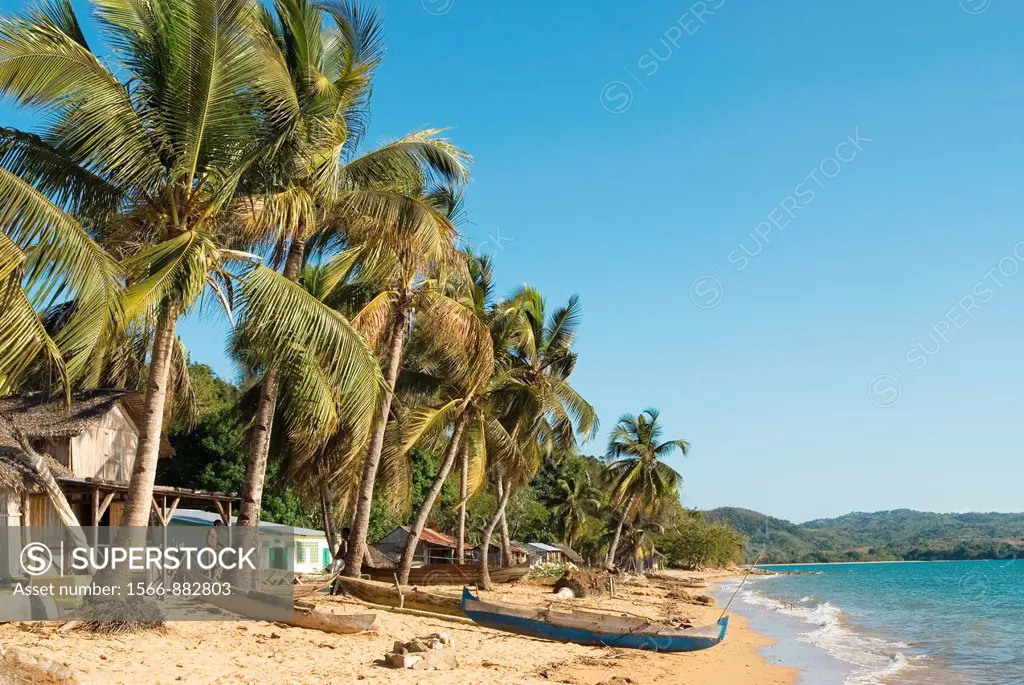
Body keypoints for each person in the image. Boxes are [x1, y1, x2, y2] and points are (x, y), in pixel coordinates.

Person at [330, 528, 350, 595]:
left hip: (340, 560)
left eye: (342, 533)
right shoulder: (345, 541)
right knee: (333, 574)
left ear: (346, 534)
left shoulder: (345, 542)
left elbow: (345, 552)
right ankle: (333, 590)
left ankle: (333, 591)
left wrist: (338, 557)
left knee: (333, 575)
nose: (341, 534)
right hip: (339, 560)